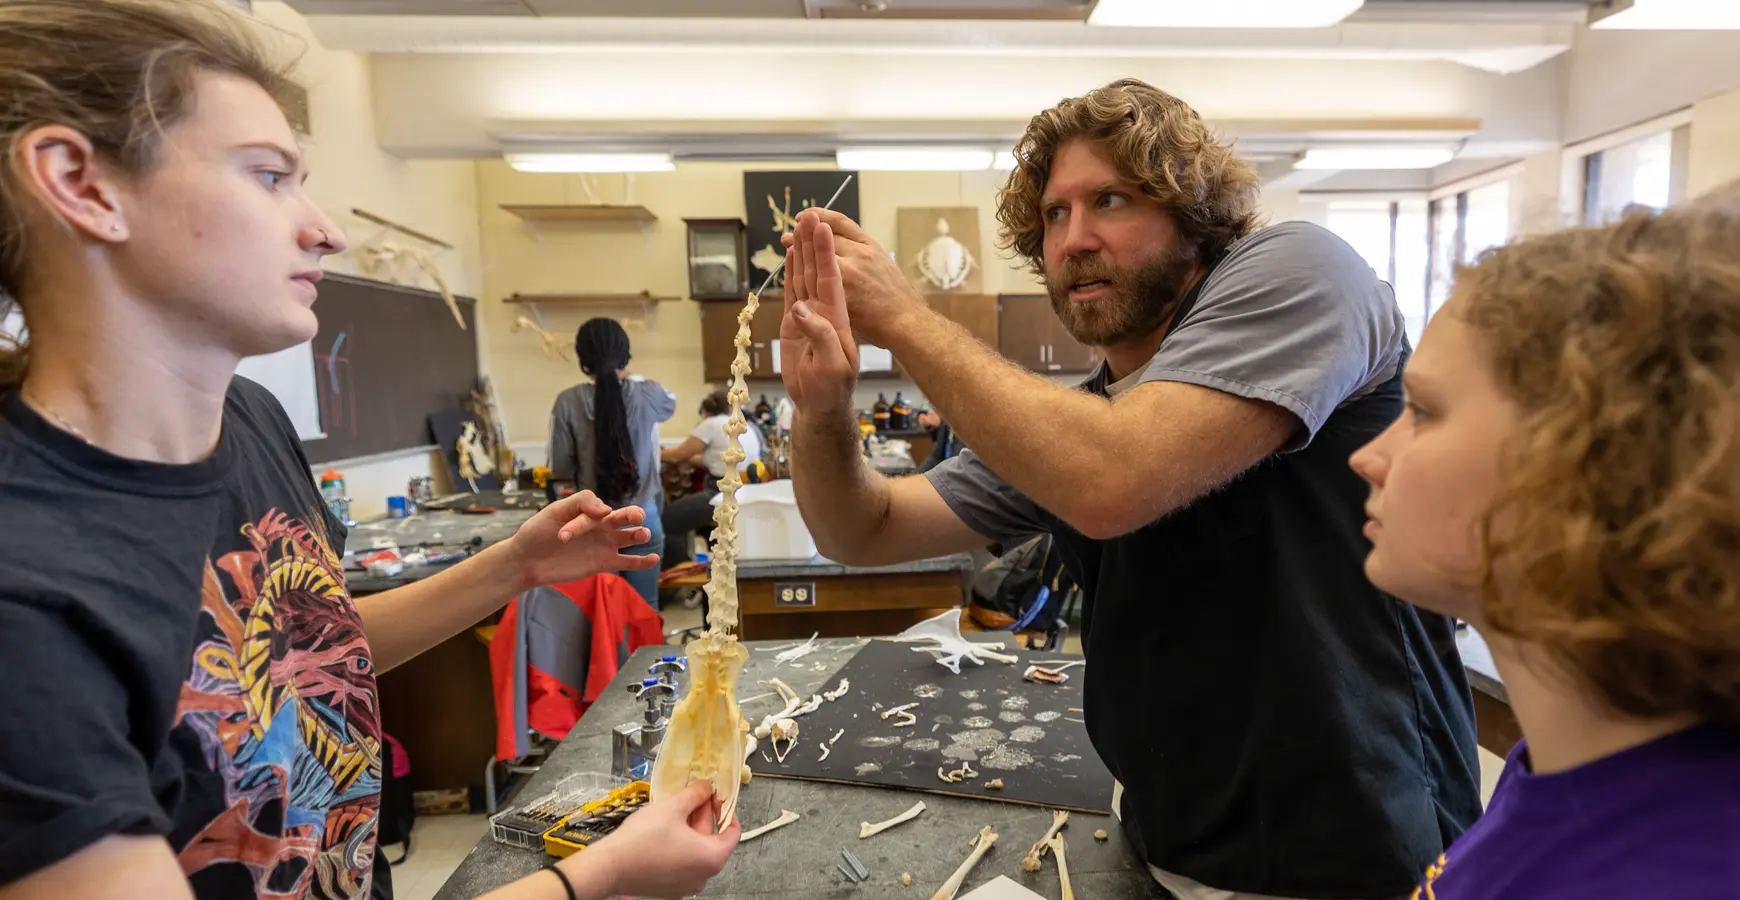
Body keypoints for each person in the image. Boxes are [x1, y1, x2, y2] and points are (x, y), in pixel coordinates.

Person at [0, 3, 738, 899]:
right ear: (81, 183)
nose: (325, 229)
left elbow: (304, 657)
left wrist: (513, 565)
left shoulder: (254, 422)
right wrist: (601, 877)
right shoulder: (27, 589)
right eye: (268, 177)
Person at [778, 77, 1480, 899]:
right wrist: (821, 409)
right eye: (1053, 215)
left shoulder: (1305, 273)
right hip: (1173, 838)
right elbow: (864, 530)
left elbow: (1115, 477)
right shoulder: (1085, 420)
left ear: (1194, 215)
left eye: (1109, 200)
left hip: (1355, 845)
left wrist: (903, 318)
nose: (1074, 240)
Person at [1351, 193, 1740, 899]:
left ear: (1602, 465)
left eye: (1426, 412)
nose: (1369, 457)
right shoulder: (1576, 767)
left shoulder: (1672, 872)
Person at [547, 318, 676, 608]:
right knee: (645, 610)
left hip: (594, 524)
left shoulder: (566, 402)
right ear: (626, 358)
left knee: (606, 617)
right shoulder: (649, 393)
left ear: (584, 364)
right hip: (644, 518)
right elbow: (671, 404)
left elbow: (561, 468)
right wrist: (627, 377)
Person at [659, 389, 763, 570]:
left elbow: (676, 455)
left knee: (662, 523)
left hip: (719, 496)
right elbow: (714, 458)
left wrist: (656, 450)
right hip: (744, 493)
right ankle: (691, 572)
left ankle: (687, 575)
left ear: (706, 412)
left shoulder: (711, 424)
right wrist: (685, 456)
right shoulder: (744, 426)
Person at [913, 408, 961, 474]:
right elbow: (936, 456)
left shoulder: (965, 432)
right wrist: (915, 475)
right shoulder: (945, 424)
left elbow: (957, 468)